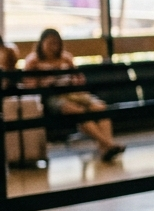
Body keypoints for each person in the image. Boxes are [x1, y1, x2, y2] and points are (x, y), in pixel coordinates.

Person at [23, 28, 125, 162]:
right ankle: (108, 144)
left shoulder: (66, 58)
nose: (53, 47)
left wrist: (74, 80)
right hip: (52, 97)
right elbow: (29, 85)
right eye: (50, 43)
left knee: (99, 108)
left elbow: (79, 77)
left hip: (73, 93)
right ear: (41, 43)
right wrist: (48, 82)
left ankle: (105, 147)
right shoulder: (33, 61)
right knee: (77, 111)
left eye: (56, 43)